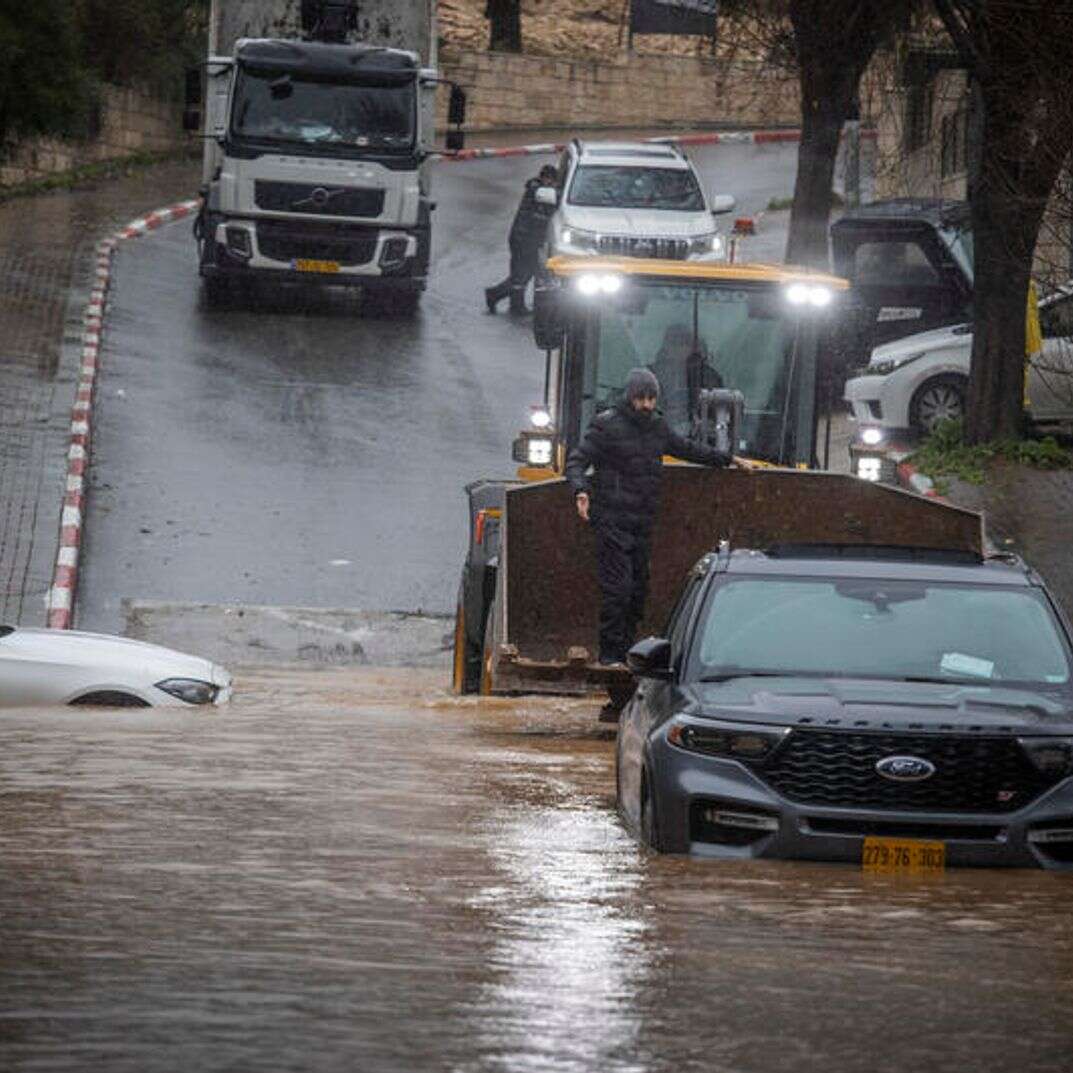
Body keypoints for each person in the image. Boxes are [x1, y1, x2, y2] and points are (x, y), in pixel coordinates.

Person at [565, 367, 730, 673]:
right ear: (629, 397)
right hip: (611, 521)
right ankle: (610, 656)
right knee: (619, 590)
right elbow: (576, 461)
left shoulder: (657, 427)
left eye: (651, 398)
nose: (646, 405)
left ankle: (628, 652)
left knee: (638, 590)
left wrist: (728, 460)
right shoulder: (606, 426)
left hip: (641, 523)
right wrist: (581, 491)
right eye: (641, 398)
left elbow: (688, 449)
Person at [485, 164, 558, 314]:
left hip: (527, 237)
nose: (552, 184)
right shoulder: (537, 191)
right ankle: (497, 296)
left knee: (525, 272)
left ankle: (511, 302)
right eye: (550, 181)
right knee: (523, 272)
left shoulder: (537, 189)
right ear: (545, 178)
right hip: (524, 237)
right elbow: (541, 215)